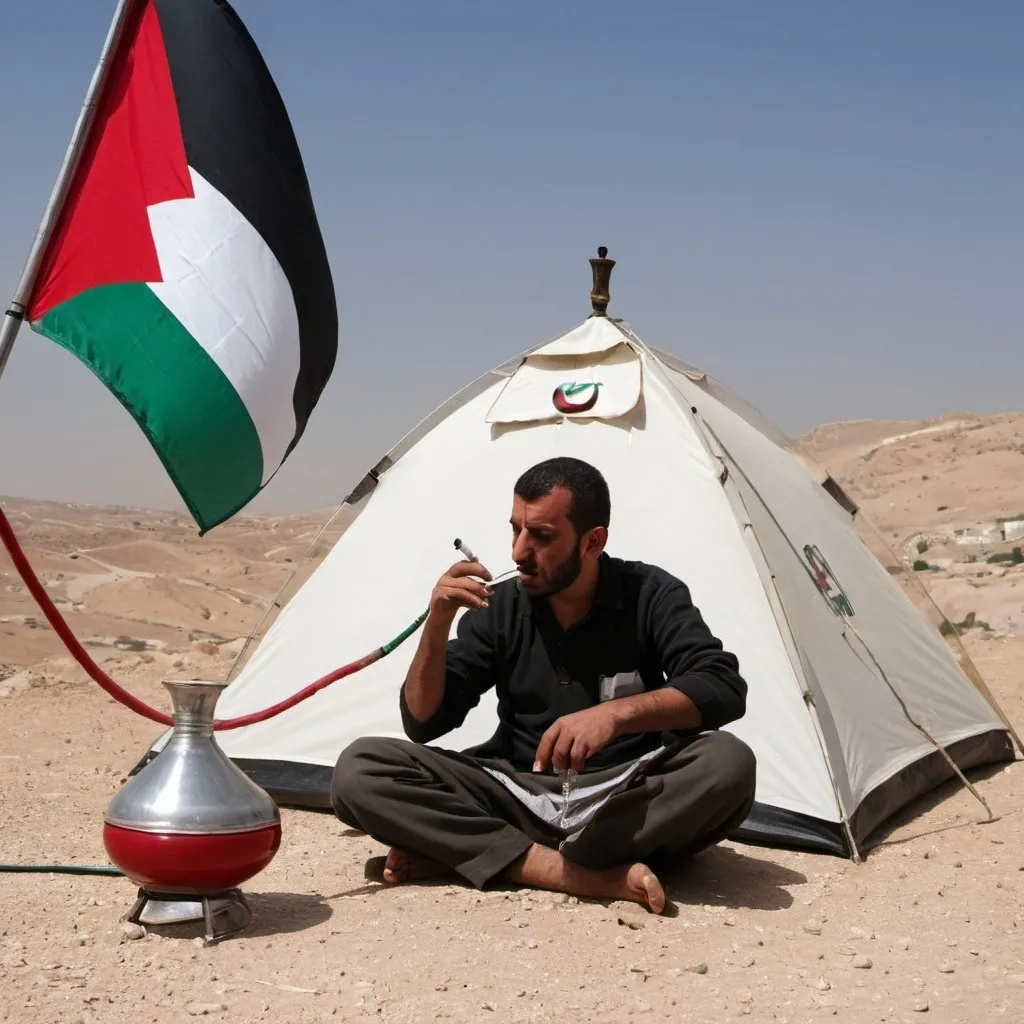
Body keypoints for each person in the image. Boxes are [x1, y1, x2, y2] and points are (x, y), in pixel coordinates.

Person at [331, 457, 756, 913]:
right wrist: (437, 623)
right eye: (515, 530)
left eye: (542, 537)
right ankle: (573, 873)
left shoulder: (651, 593)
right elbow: (423, 721)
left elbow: (721, 685)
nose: (518, 552)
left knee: (729, 763)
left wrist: (614, 714)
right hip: (517, 793)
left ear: (593, 542)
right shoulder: (502, 606)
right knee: (361, 768)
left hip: (622, 798)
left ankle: (482, 855)